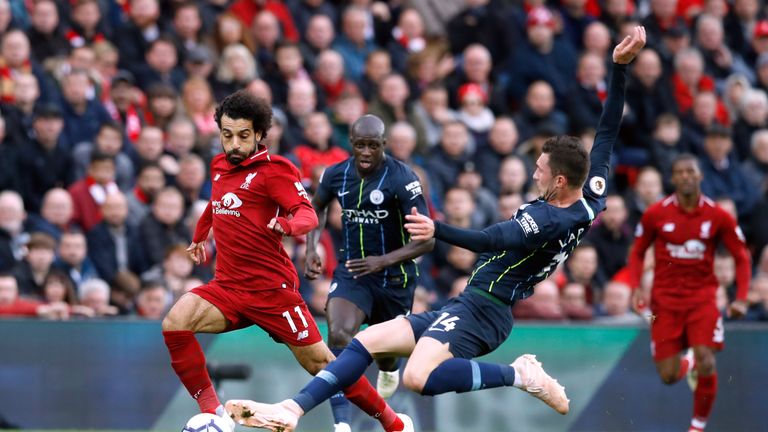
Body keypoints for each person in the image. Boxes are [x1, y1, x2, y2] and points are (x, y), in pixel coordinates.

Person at [224, 27, 648, 432]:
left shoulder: (549, 220)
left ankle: (519, 375)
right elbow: (607, 131)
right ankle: (292, 408)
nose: (534, 170)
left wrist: (435, 228)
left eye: (540, 168)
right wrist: (619, 68)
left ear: (558, 181)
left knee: (419, 378)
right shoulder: (591, 194)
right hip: (469, 302)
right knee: (367, 341)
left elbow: (487, 240)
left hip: (486, 311)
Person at [160, 90, 412, 432]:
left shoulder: (275, 171)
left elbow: (307, 213)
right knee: (175, 322)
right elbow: (218, 202)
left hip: (272, 292)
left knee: (325, 365)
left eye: (243, 136)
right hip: (229, 286)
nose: (234, 144)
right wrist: (200, 234)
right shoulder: (219, 165)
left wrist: (288, 225)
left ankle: (394, 423)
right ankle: (214, 413)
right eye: (227, 134)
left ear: (261, 134)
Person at [303, 114, 434, 431]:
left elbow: (426, 240)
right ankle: (342, 424)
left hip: (394, 279)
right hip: (353, 272)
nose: (365, 152)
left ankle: (389, 368)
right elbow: (315, 207)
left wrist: (383, 260)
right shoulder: (336, 174)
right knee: (338, 334)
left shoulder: (403, 179)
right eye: (359, 145)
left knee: (386, 356)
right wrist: (310, 247)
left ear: (383, 145)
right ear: (351, 143)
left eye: (372, 146)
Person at [626, 154, 751, 432]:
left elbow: (741, 256)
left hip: (702, 297)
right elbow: (637, 252)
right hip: (664, 302)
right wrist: (635, 288)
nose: (685, 176)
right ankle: (688, 360)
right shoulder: (656, 214)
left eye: (690, 171)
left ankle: (697, 426)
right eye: (680, 172)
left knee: (707, 359)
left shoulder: (717, 215)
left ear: (700, 176)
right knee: (669, 376)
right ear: (672, 179)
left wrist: (741, 296)